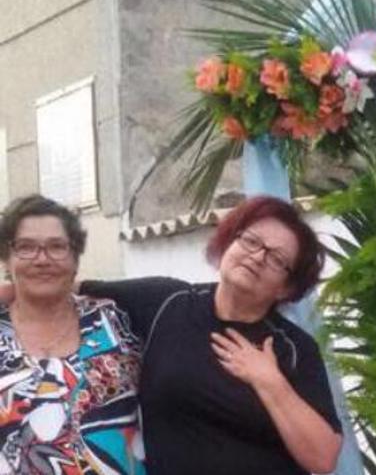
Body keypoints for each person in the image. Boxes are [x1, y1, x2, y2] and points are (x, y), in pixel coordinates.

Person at [77, 196, 342, 474]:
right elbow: (70, 290)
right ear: (230, 241)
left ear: (286, 288)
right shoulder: (166, 302)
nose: (257, 257)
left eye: (277, 259)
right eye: (251, 241)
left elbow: (323, 460)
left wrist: (270, 381)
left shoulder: (294, 348)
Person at [0, 195, 145, 474]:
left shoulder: (115, 322)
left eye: (57, 247)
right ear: (8, 259)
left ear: (75, 258)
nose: (42, 259)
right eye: (26, 247)